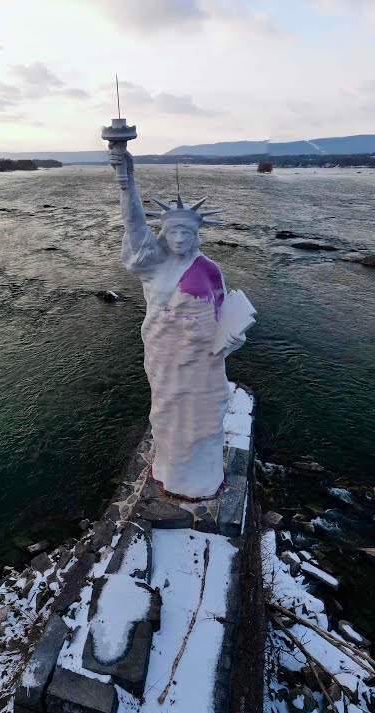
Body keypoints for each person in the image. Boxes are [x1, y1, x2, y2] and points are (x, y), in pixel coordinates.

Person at [108, 145, 248, 498]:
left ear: (197, 235)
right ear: (164, 235)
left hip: (202, 361)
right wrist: (126, 182)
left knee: (203, 419)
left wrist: (235, 340)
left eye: (187, 234)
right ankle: (172, 471)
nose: (181, 240)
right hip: (164, 357)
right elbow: (135, 225)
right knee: (167, 415)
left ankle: (201, 478)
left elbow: (225, 316)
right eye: (174, 234)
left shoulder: (209, 269)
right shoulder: (153, 265)